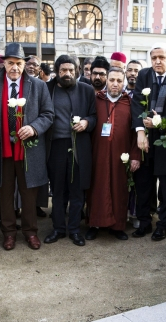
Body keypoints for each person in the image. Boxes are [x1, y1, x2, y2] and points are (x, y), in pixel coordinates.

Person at [0, 43, 54, 251]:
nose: (15, 67)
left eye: (19, 63)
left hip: (29, 150)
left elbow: (48, 114)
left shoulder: (38, 86)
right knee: (4, 194)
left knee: (29, 193)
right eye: (11, 63)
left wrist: (33, 128)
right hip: (2, 149)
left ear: (25, 64)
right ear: (4, 63)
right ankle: (9, 233)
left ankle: (30, 232)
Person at [131, 42, 166, 241]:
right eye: (154, 57)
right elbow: (137, 104)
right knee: (143, 183)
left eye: (161, 57)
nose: (157, 61)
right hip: (145, 139)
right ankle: (144, 222)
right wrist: (140, 131)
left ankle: (162, 224)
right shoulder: (144, 75)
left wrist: (160, 122)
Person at [44, 55, 96, 246]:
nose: (67, 74)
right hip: (55, 147)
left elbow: (94, 116)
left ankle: (74, 230)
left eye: (71, 70)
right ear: (57, 71)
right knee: (57, 191)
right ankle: (58, 229)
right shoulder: (47, 89)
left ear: (77, 71)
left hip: (79, 147)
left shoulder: (87, 90)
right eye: (63, 70)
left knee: (76, 192)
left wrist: (86, 122)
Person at [85, 68, 140, 240]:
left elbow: (136, 132)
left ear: (123, 82)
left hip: (121, 155)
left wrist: (135, 155)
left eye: (118, 80)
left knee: (119, 189)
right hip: (97, 154)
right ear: (106, 81)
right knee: (97, 188)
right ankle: (94, 223)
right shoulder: (95, 100)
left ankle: (118, 226)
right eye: (112, 80)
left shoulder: (130, 103)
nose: (115, 84)